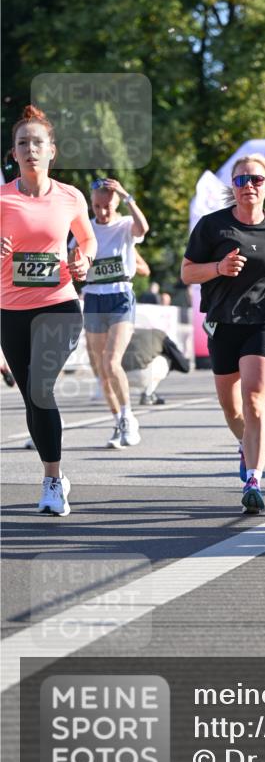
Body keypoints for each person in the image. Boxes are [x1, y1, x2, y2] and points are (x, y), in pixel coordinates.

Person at [182, 153, 265, 514]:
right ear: (232, 187)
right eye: (241, 180)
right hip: (224, 322)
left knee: (254, 400)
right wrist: (218, 267)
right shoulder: (212, 226)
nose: (249, 185)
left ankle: (254, 478)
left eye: (256, 180)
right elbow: (188, 274)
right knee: (232, 407)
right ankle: (245, 445)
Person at [0, 104, 97, 516]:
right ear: (14, 153)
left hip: (58, 305)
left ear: (51, 151)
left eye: (37, 143)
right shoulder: (2, 198)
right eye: (23, 143)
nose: (30, 150)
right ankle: (53, 472)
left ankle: (52, 482)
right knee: (32, 398)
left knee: (40, 388)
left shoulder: (71, 197)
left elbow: (88, 241)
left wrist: (83, 261)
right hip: (10, 309)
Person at [78, 178, 149, 448]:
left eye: (107, 206)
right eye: (97, 206)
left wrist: (127, 196)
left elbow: (143, 228)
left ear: (116, 204)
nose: (102, 212)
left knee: (111, 362)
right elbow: (73, 253)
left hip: (120, 297)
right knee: (101, 370)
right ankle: (119, 419)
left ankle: (129, 417)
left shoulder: (124, 225)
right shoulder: (87, 228)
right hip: (94, 297)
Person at [121, 327, 191, 405]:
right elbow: (184, 366)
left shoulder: (126, 334)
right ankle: (148, 394)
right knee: (165, 360)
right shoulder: (160, 335)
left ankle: (117, 398)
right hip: (142, 375)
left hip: (119, 376)